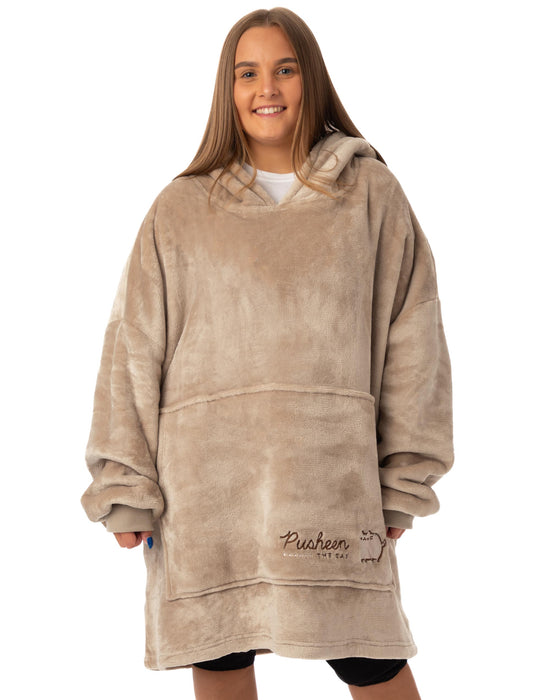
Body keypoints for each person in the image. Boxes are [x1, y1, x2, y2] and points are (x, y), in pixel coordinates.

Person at [81, 7, 454, 700]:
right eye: (246, 73)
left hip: (331, 487)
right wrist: (125, 489)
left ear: (310, 78)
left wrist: (403, 482)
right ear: (227, 90)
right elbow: (132, 349)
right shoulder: (179, 209)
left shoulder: (373, 196)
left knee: (370, 661)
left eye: (284, 69)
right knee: (222, 656)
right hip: (207, 494)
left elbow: (415, 343)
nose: (267, 88)